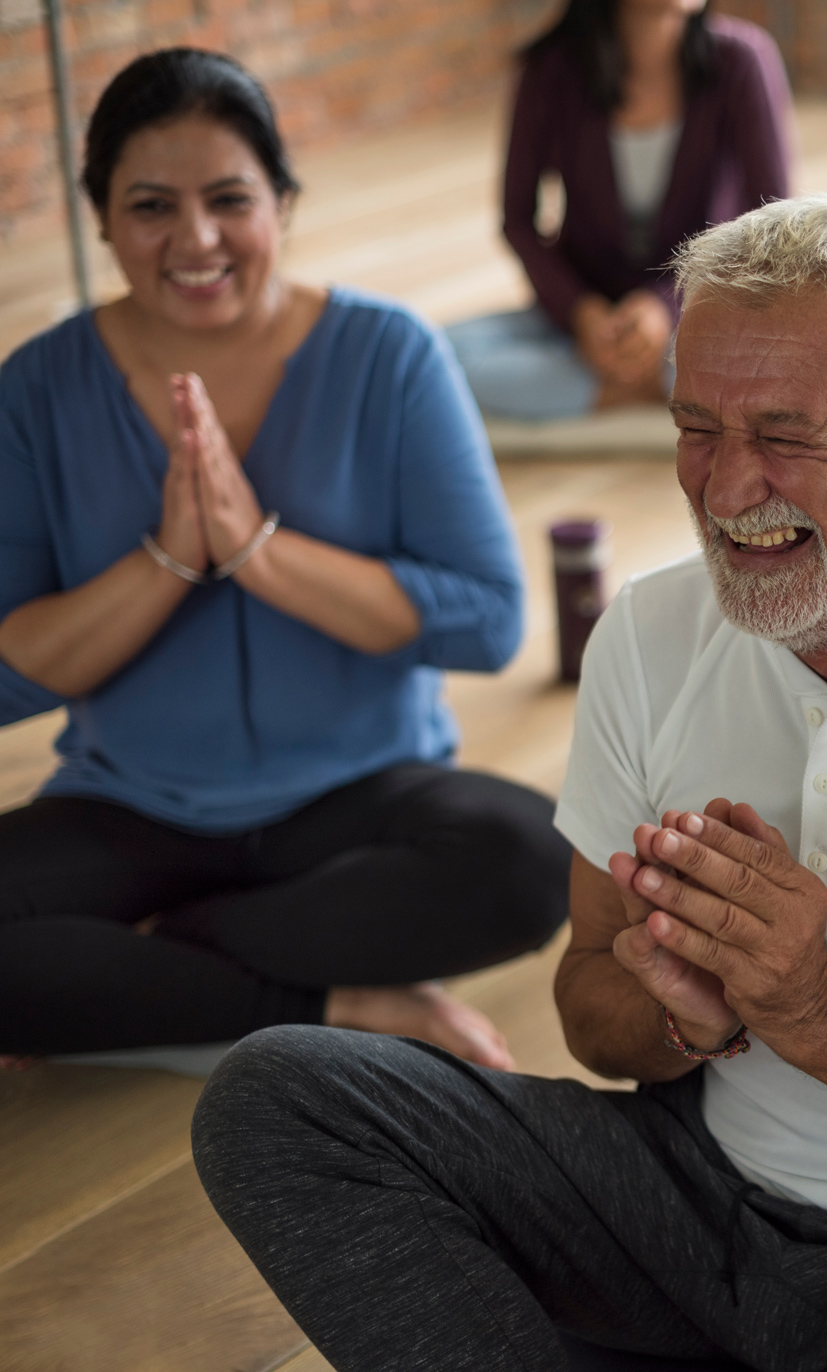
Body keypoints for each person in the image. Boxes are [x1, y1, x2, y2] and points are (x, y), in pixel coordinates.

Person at [192, 195, 827, 1370]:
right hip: (692, 1203)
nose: (727, 491)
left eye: (787, 435)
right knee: (277, 1097)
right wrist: (686, 1010)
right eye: (696, 425)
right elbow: (591, 1008)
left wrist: (813, 1010)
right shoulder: (648, 633)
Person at [0, 49, 569, 1069]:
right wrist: (168, 560)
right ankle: (338, 996)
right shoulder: (37, 389)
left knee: (531, 861)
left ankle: (149, 972)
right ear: (101, 219)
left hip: (357, 801)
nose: (197, 239)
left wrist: (259, 552)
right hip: (132, 808)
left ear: (284, 203)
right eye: (150, 207)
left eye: (229, 199)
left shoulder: (389, 354)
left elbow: (485, 620)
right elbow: (7, 675)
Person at [444, 0, 793, 420]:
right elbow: (518, 219)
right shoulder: (550, 71)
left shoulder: (742, 59)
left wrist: (667, 307)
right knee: (436, 354)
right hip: (587, 312)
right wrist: (581, 312)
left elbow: (770, 221)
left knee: (781, 361)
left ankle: (605, 389)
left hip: (703, 310)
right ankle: (656, 389)